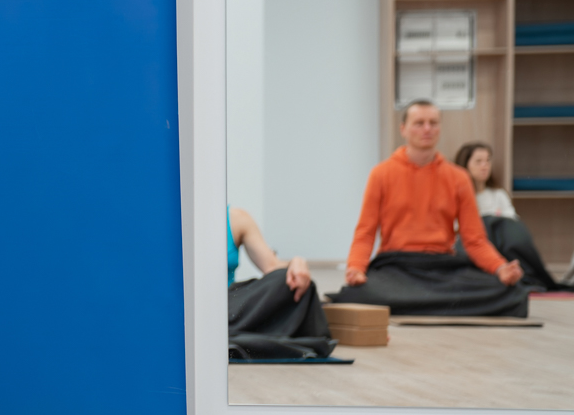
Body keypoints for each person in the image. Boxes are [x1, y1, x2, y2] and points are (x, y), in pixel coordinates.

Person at [330, 101, 529, 317]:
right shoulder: (381, 174)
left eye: (433, 123)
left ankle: (417, 302)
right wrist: (356, 268)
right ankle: (436, 304)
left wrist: (500, 268)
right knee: (356, 294)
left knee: (514, 293)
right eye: (419, 123)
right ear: (403, 129)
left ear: (440, 128)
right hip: (396, 266)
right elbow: (365, 232)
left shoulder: (459, 178)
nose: (427, 129)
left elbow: (475, 240)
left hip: (442, 267)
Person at [226, 207, 334, 360]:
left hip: (229, 307)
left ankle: (230, 336)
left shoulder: (237, 218)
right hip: (194, 306)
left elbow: (272, 266)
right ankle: (233, 336)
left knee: (287, 280)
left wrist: (296, 262)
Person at [452, 141, 558, 291]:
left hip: (502, 247)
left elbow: (511, 224)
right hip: (474, 246)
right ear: (465, 165)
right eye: (478, 161)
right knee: (484, 226)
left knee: (508, 229)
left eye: (487, 161)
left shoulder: (498, 194)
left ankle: (524, 275)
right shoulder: (458, 196)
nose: (485, 166)